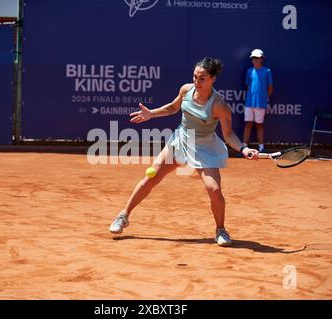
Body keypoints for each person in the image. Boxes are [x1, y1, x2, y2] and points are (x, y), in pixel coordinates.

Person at [109, 57, 259, 247]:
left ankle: (220, 230)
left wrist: (244, 148)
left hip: (205, 146)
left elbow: (229, 136)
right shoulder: (186, 90)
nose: (197, 82)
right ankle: (123, 215)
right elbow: (173, 107)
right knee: (152, 175)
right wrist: (151, 114)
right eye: (195, 77)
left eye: (202, 78)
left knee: (214, 190)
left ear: (213, 79)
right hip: (181, 139)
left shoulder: (219, 105)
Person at [243, 49, 273, 153]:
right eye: (253, 58)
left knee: (259, 125)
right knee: (248, 124)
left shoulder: (267, 72)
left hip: (261, 104)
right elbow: (247, 87)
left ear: (261, 59)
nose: (255, 60)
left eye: (257, 58)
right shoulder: (249, 71)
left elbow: (270, 88)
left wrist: (265, 99)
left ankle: (261, 147)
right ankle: (244, 147)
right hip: (249, 103)